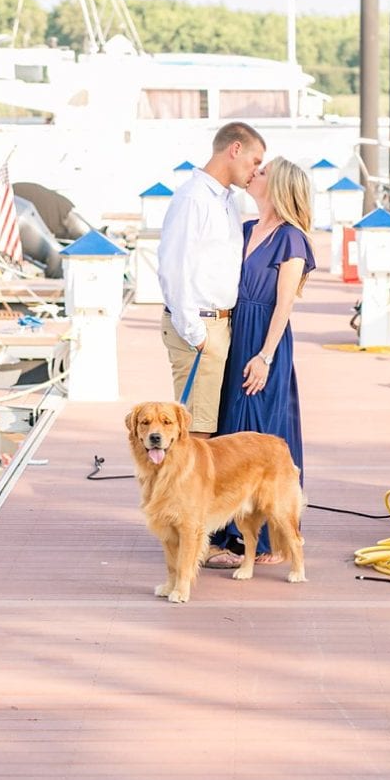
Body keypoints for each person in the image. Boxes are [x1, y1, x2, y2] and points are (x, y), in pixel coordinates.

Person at [205, 156, 315, 569]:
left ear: (279, 185)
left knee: (260, 428)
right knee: (231, 428)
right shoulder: (247, 228)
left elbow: (284, 303)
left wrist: (265, 356)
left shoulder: (291, 239)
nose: (255, 174)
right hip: (235, 334)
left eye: (263, 171)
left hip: (264, 339)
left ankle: (266, 540)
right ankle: (227, 530)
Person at [156, 121, 266, 443]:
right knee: (196, 432)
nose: (255, 171)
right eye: (255, 161)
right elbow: (173, 268)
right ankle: (188, 496)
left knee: (210, 426)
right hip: (200, 327)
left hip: (220, 326)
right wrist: (197, 334)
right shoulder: (194, 199)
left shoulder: (228, 200)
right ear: (235, 150)